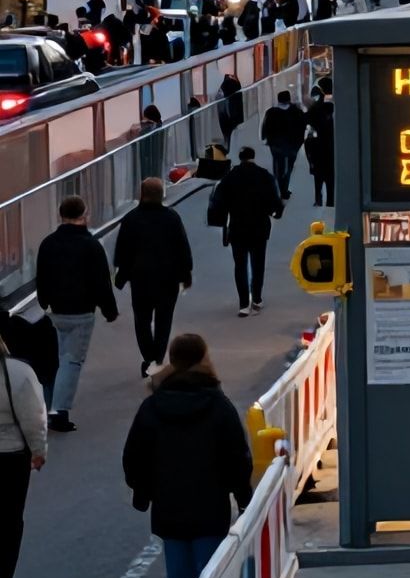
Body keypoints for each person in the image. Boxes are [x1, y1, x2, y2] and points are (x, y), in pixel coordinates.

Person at [123, 334, 252, 578]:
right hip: (211, 508)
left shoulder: (152, 406)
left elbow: (134, 456)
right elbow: (237, 456)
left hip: (168, 507)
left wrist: (143, 491)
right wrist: (243, 496)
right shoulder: (218, 405)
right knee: (212, 572)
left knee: (179, 575)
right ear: (204, 359)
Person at [34, 196, 118, 432]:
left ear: (61, 215)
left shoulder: (48, 243)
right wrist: (109, 310)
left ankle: (47, 407)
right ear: (84, 214)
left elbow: (41, 275)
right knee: (71, 361)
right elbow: (101, 282)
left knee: (55, 361)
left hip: (54, 311)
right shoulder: (91, 245)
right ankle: (59, 413)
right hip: (81, 312)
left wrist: (44, 302)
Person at [113, 178, 193, 377]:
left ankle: (148, 355)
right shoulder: (172, 218)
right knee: (164, 320)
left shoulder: (131, 219)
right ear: (161, 194)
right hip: (168, 279)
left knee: (142, 319)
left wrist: (122, 274)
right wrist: (186, 274)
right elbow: (182, 248)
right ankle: (158, 357)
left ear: (142, 194)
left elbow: (123, 250)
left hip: (140, 279)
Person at [210, 148, 283, 317]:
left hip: (237, 227)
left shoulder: (230, 178)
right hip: (259, 227)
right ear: (253, 157)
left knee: (240, 265)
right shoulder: (264, 176)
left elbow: (219, 202)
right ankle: (256, 299)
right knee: (258, 263)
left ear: (240, 158)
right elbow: (275, 201)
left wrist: (221, 220)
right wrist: (275, 212)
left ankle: (243, 304)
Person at [0, 337, 45, 578]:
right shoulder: (18, 373)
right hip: (12, 457)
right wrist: (39, 450)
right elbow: (33, 418)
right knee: (10, 520)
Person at [260, 90, 306, 201]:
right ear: (289, 99)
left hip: (276, 145)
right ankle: (284, 189)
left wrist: (265, 139)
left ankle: (280, 189)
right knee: (289, 167)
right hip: (292, 145)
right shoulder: (297, 112)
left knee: (278, 166)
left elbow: (265, 127)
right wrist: (299, 142)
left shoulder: (271, 112)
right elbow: (302, 128)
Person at [304, 87, 335, 207]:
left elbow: (308, 145)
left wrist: (310, 161)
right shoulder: (333, 129)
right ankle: (330, 201)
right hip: (330, 159)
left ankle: (318, 199)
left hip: (318, 159)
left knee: (318, 180)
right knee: (330, 181)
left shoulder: (316, 130)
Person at [216, 73, 243, 145]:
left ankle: (228, 143)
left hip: (226, 115)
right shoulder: (235, 85)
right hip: (233, 115)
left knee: (227, 133)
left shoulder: (222, 89)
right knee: (232, 132)